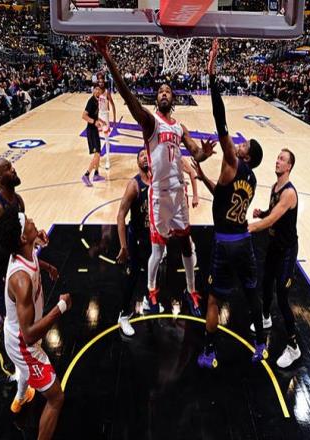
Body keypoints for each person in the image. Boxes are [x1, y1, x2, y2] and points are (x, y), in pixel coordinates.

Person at [91, 36, 215, 317]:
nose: (164, 93)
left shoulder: (180, 127)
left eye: (168, 91)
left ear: (173, 99)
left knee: (186, 245)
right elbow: (127, 96)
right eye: (160, 91)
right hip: (159, 194)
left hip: (179, 193)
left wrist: (204, 154)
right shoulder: (151, 122)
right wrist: (108, 57)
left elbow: (196, 154)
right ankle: (152, 292)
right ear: (156, 99)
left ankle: (192, 292)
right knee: (157, 251)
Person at [195, 40, 267, 369]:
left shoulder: (231, 162)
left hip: (224, 244)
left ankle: (209, 351)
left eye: (244, 144)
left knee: (213, 299)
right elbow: (223, 197)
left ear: (246, 156)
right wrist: (201, 176)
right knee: (251, 293)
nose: (238, 143)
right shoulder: (251, 180)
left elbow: (220, 120)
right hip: (244, 241)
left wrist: (212, 74)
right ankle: (261, 343)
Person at [0, 208, 71, 439]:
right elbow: (29, 334)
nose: (31, 220)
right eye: (27, 221)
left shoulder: (24, 250)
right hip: (23, 344)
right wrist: (61, 307)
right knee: (56, 398)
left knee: (25, 372)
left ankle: (20, 398)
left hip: (19, 335)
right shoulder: (21, 280)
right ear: (22, 237)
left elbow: (34, 257)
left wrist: (47, 267)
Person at [116, 150, 200, 336]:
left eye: (146, 154)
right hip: (137, 238)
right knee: (133, 276)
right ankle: (123, 316)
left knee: (153, 271)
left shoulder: (159, 180)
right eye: (140, 156)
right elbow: (121, 215)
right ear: (137, 162)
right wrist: (123, 246)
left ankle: (148, 299)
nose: (145, 157)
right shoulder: (134, 185)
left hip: (153, 236)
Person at [0, 159, 58, 318]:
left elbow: (21, 232)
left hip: (15, 266)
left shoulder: (18, 201)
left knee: (27, 315)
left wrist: (35, 237)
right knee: (13, 319)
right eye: (8, 168)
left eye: (11, 166)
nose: (13, 169)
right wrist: (28, 242)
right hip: (0, 274)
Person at [248, 148, 301, 368]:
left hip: (287, 251)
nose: (277, 161)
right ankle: (266, 317)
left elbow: (272, 221)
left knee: (283, 296)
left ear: (289, 166)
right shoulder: (275, 187)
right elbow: (272, 213)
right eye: (277, 157)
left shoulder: (289, 193)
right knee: (266, 283)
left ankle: (293, 347)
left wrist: (252, 226)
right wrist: (261, 213)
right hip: (274, 246)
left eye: (282, 159)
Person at [82, 85, 106, 187]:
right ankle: (86, 175)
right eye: (96, 89)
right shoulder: (91, 101)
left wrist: (101, 121)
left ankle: (96, 174)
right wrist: (94, 122)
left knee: (98, 152)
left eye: (99, 89)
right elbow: (84, 116)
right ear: (93, 91)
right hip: (91, 131)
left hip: (94, 130)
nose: (97, 91)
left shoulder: (97, 101)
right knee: (97, 154)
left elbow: (94, 116)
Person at [97, 73, 117, 170]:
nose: (101, 83)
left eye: (102, 81)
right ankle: (97, 158)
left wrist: (114, 119)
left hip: (105, 115)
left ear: (104, 82)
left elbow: (113, 105)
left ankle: (108, 160)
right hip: (98, 115)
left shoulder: (107, 92)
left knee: (106, 138)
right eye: (99, 81)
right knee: (97, 138)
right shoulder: (96, 91)